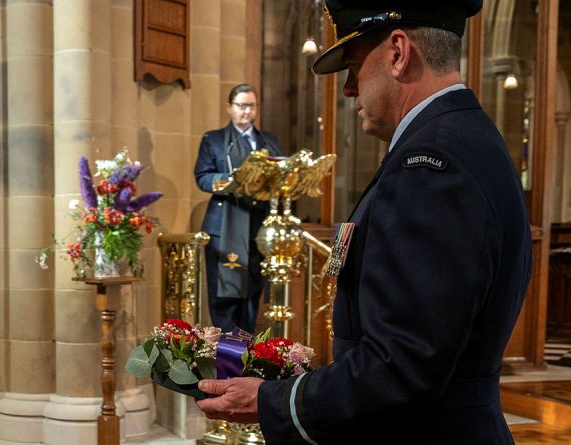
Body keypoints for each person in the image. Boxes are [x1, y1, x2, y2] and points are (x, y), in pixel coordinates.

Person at [196, 1, 532, 443]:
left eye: (353, 67)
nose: (349, 89)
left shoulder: (432, 163)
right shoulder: (460, 137)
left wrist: (273, 401)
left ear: (398, 52)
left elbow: (401, 364)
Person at [194, 83, 282, 334]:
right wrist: (230, 181)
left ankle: (246, 364)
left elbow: (281, 173)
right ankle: (224, 365)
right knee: (225, 300)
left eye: (251, 106)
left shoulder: (268, 140)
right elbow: (202, 176)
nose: (246, 111)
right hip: (224, 227)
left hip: (258, 227)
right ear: (229, 108)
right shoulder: (215, 140)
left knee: (251, 298)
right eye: (241, 105)